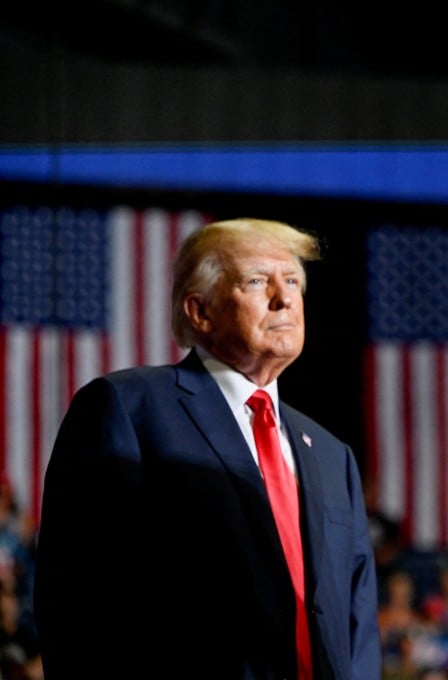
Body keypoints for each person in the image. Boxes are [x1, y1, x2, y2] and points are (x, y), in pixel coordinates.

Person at [33, 218, 381, 679]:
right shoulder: (130, 409)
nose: (285, 298)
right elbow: (78, 595)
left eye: (293, 281)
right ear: (200, 311)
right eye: (258, 281)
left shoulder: (333, 457)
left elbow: (358, 631)